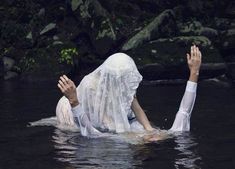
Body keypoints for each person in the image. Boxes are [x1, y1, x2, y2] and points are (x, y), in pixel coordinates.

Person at [56, 45, 201, 141]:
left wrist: (149, 130)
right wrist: (74, 101)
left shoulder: (122, 85)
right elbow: (91, 132)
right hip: (69, 107)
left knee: (138, 128)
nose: (126, 82)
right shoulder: (91, 86)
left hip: (106, 118)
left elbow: (136, 106)